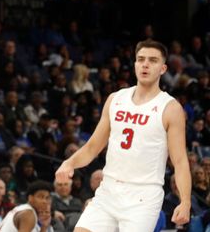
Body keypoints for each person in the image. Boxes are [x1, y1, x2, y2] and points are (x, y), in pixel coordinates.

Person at [55, 39, 192, 231]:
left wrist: (185, 201)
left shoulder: (170, 108)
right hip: (109, 189)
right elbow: (93, 146)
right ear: (135, 63)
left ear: (163, 68)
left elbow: (179, 160)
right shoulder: (116, 99)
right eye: (141, 59)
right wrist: (69, 163)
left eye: (153, 60)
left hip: (143, 196)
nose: (145, 64)